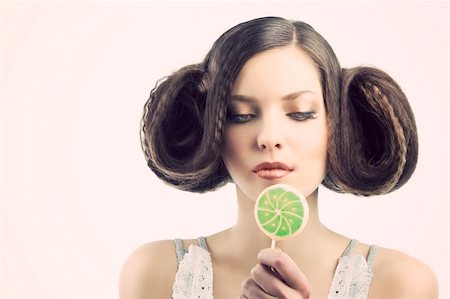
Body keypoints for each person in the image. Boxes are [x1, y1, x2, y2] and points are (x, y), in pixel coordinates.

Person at [119, 17, 438, 299]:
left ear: (337, 124)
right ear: (212, 128)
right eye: (241, 115)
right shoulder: (155, 274)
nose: (269, 137)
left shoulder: (400, 284)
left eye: (300, 114)